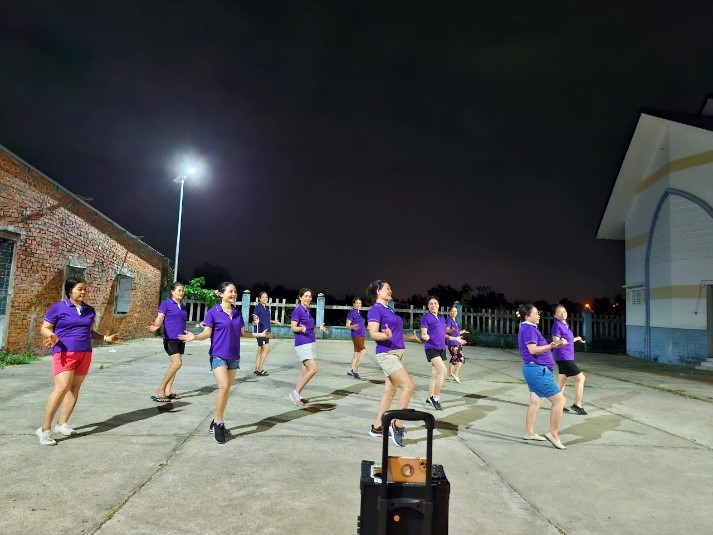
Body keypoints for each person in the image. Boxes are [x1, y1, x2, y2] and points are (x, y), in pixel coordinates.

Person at [179, 282, 271, 444]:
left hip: (234, 357)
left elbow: (243, 333)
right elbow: (207, 333)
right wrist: (195, 337)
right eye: (230, 291)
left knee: (226, 389)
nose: (233, 294)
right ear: (221, 294)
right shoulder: (213, 312)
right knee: (223, 386)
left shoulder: (237, 313)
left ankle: (215, 420)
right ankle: (219, 423)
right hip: (218, 355)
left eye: (235, 292)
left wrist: (260, 335)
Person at [36, 277, 122, 445]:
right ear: (70, 291)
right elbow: (44, 328)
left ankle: (62, 424)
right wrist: (51, 335)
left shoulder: (90, 310)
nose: (83, 292)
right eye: (79, 289)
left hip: (85, 353)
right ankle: (45, 429)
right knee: (61, 388)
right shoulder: (58, 308)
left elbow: (89, 332)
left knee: (74, 388)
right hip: (64, 352)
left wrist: (106, 338)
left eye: (84, 289)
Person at [366, 280, 421, 447]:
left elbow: (395, 335)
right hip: (387, 354)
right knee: (409, 386)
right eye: (387, 288)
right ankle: (396, 426)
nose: (391, 290)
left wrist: (411, 337)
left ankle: (377, 427)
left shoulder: (388, 309)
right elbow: (374, 334)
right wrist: (386, 336)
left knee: (390, 390)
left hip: (396, 353)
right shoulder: (375, 310)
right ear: (378, 291)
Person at [517, 304, 568, 449]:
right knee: (559, 400)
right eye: (536, 314)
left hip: (533, 369)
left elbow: (539, 348)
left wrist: (554, 345)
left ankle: (529, 432)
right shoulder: (529, 329)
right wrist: (551, 346)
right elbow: (532, 349)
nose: (539, 316)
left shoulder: (528, 328)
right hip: (537, 370)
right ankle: (553, 434)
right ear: (527, 316)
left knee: (535, 401)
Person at [420, 296, 466, 410]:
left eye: (435, 303)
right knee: (443, 371)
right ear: (428, 306)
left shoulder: (441, 318)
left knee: (434, 374)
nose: (433, 305)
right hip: (431, 347)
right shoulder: (426, 318)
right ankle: (435, 398)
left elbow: (443, 334)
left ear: (438, 305)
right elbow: (423, 333)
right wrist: (424, 336)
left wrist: (456, 339)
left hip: (442, 348)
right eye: (431, 304)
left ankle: (429, 396)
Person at [148, 281, 188, 402]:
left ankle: (168, 391)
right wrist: (156, 325)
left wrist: (199, 325)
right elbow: (160, 317)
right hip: (170, 338)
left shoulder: (183, 307)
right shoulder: (166, 304)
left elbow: (182, 323)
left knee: (174, 366)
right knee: (177, 363)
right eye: (179, 290)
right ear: (172, 292)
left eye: (182, 290)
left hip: (181, 339)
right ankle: (160, 389)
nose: (182, 293)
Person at [289, 288, 329, 406]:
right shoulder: (298, 310)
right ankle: (295, 393)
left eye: (310, 296)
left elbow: (310, 329)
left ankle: (298, 395)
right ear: (300, 297)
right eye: (306, 296)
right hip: (302, 343)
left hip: (310, 342)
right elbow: (293, 327)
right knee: (313, 369)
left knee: (304, 369)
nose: (308, 298)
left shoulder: (307, 310)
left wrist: (319, 328)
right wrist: (300, 328)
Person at [551, 304, 587, 415]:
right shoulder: (557, 325)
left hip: (565, 356)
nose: (563, 313)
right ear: (554, 315)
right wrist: (560, 342)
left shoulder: (565, 324)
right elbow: (556, 342)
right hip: (563, 357)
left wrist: (578, 338)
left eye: (564, 311)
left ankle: (557, 403)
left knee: (562, 379)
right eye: (560, 312)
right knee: (580, 378)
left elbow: (568, 340)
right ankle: (577, 404)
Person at [251, 291, 281, 376]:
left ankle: (256, 368)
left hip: (266, 331)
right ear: (260, 298)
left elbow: (265, 319)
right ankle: (260, 369)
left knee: (261, 349)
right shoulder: (258, 307)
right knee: (266, 348)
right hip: (261, 331)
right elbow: (255, 317)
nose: (265, 298)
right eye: (263, 297)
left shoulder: (266, 308)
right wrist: (255, 320)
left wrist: (274, 321)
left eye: (266, 297)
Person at [445, 305, 469, 383]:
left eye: (455, 311)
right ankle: (454, 374)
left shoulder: (454, 321)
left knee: (457, 359)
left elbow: (456, 332)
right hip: (452, 343)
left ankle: (452, 374)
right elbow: (447, 330)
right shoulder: (449, 320)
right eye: (452, 311)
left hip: (457, 342)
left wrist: (462, 332)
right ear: (449, 312)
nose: (454, 312)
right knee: (459, 358)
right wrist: (452, 330)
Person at [346, 297, 366, 379]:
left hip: (361, 335)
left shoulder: (358, 313)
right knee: (363, 351)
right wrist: (352, 327)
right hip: (356, 335)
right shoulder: (352, 313)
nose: (358, 304)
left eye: (360, 303)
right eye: (356, 303)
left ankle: (350, 370)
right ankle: (355, 370)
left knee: (356, 354)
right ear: (353, 304)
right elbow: (347, 325)